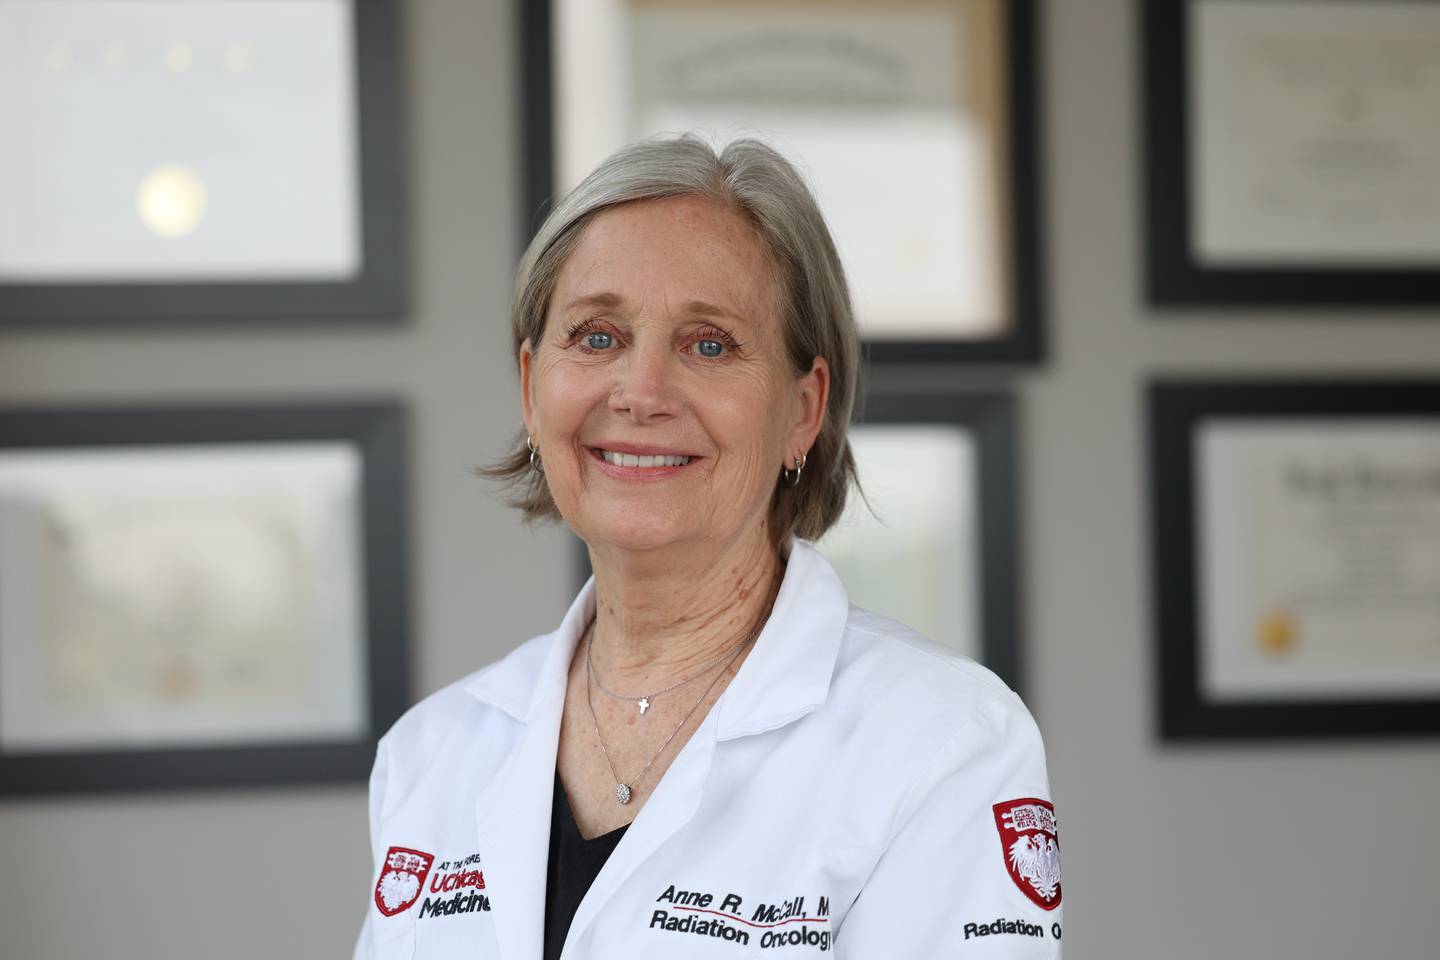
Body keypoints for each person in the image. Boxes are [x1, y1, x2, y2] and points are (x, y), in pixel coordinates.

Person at [353, 136, 1062, 959]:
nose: (642, 392)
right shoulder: (433, 752)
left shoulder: (941, 741)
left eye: (710, 344)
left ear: (803, 408)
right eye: (595, 336)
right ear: (530, 387)